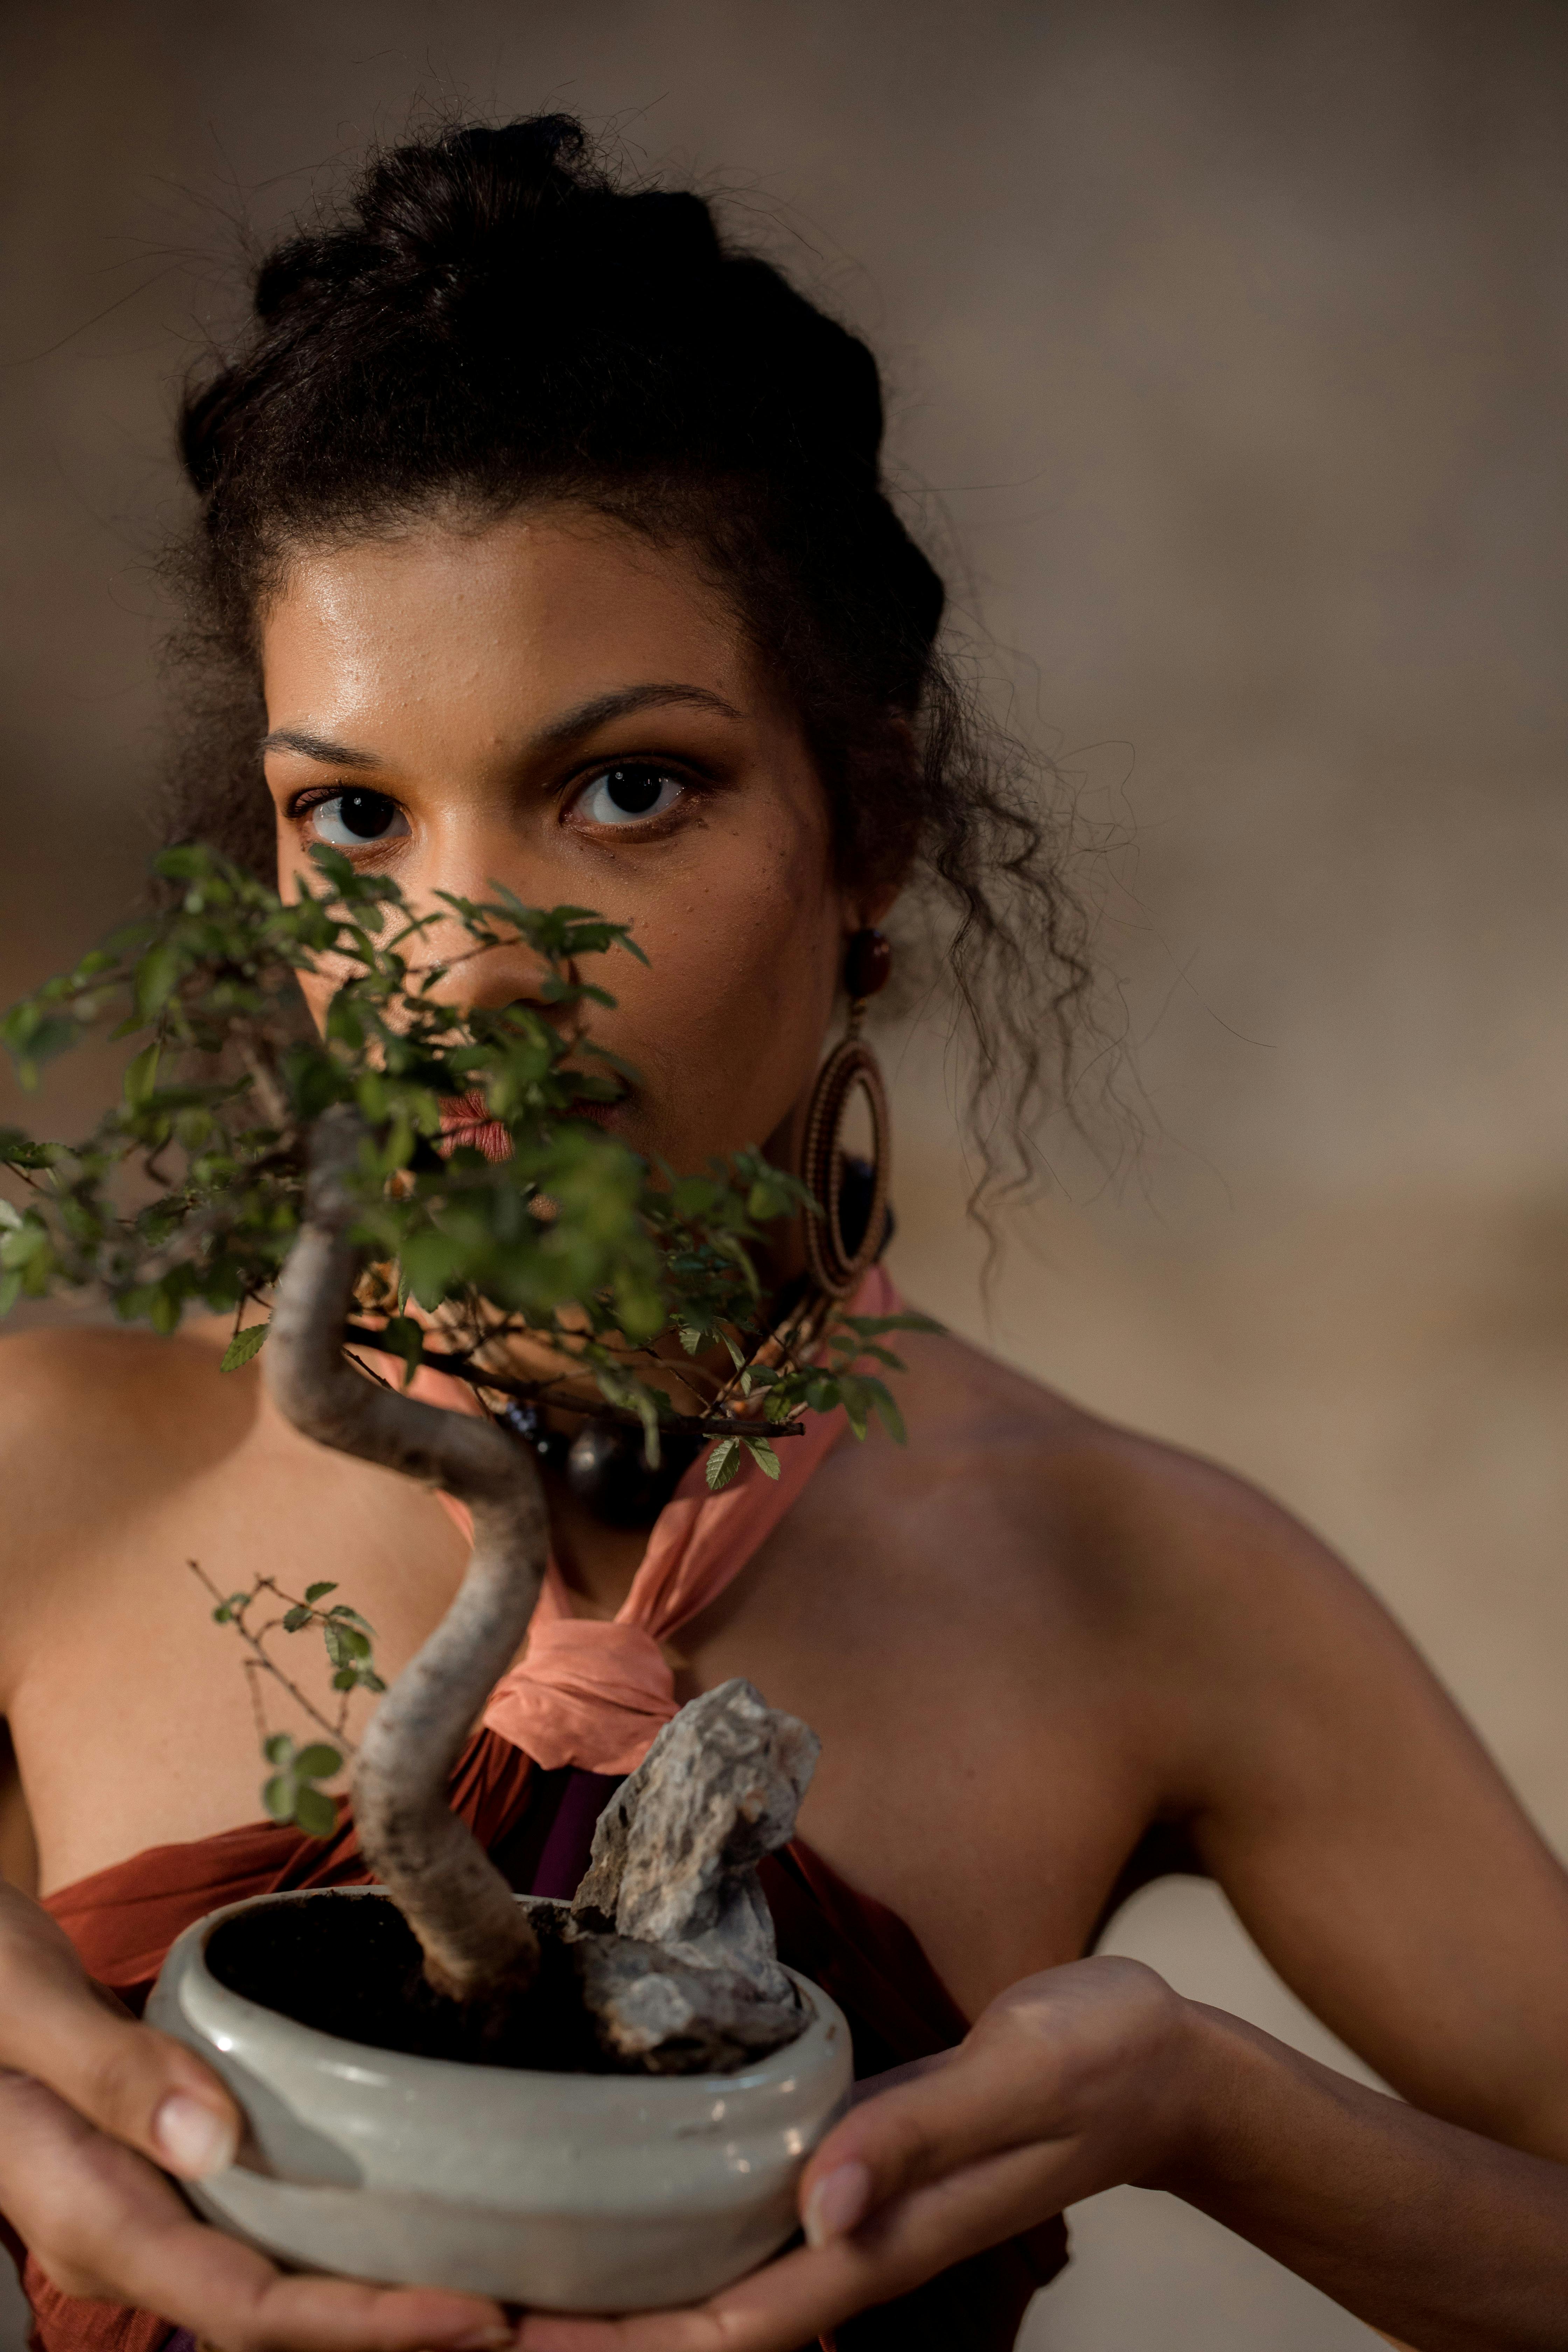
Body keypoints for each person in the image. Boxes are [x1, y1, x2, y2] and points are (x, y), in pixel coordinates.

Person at [2, 116, 1568, 2352]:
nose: (465, 962)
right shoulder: (44, 1476)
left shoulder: (1125, 1577)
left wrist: (1204, 2110)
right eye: (352, 816)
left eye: (626, 789)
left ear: (873, 830)